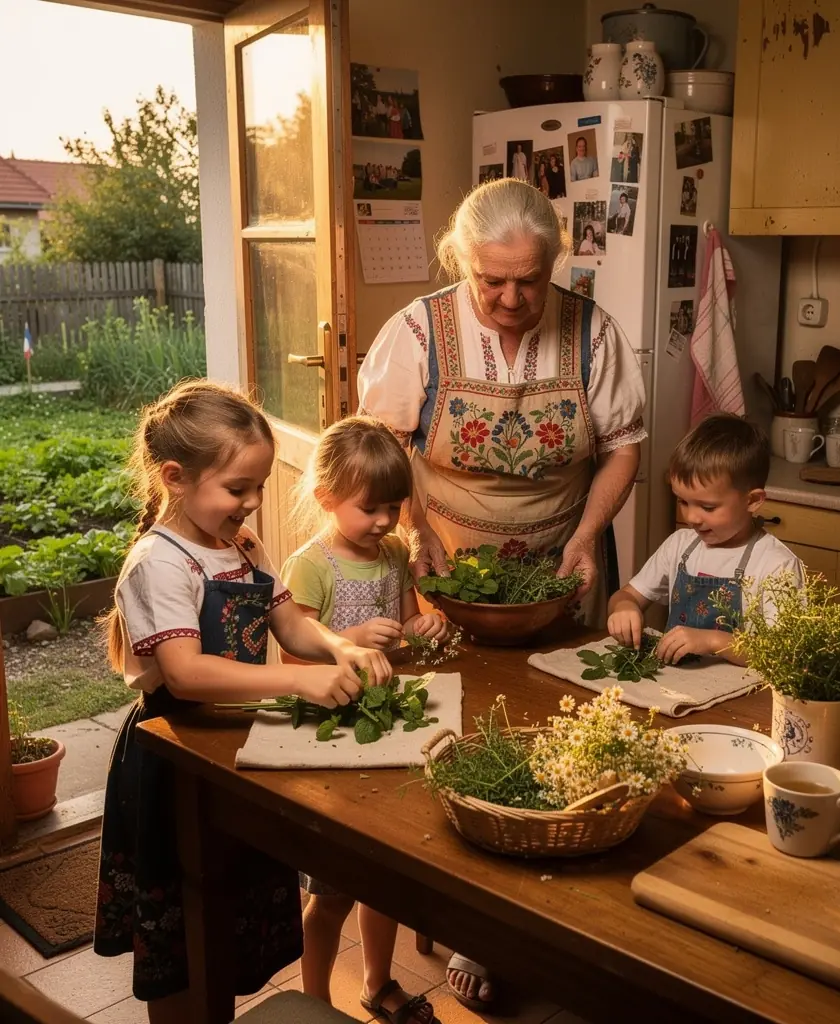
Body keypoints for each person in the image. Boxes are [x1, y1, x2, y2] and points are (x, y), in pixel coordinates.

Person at [357, 177, 646, 1011]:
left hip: (560, 568)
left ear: (555, 263)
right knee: (462, 739)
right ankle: (474, 933)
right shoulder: (417, 332)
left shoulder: (593, 331)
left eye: (531, 278)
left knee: (562, 737)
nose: (514, 298)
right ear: (463, 264)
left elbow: (623, 444)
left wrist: (587, 537)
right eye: (494, 281)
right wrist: (419, 535)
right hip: (449, 566)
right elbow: (382, 444)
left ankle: (563, 927)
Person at [93, 380, 391, 1024]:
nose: (254, 503)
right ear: (174, 477)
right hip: (174, 756)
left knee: (223, 912)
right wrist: (297, 681)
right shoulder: (159, 562)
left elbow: (288, 623)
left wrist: (338, 648)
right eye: (239, 489)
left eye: (257, 487)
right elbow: (187, 672)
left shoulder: (238, 545)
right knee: (181, 932)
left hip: (237, 746)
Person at [281, 417, 446, 1024]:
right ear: (327, 498)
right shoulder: (310, 565)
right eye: (370, 508)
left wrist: (422, 629)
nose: (384, 520)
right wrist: (347, 639)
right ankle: (315, 1000)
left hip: (386, 729)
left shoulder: (396, 552)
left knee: (386, 878)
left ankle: (378, 983)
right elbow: (292, 656)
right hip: (331, 742)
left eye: (394, 506)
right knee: (331, 891)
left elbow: (404, 631)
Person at [607, 414, 803, 663]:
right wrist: (624, 608)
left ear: (752, 501)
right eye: (683, 501)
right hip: (675, 689)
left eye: (708, 507)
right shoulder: (679, 545)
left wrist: (712, 641)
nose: (692, 518)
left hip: (743, 697)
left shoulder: (776, 565)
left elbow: (786, 654)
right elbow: (624, 596)